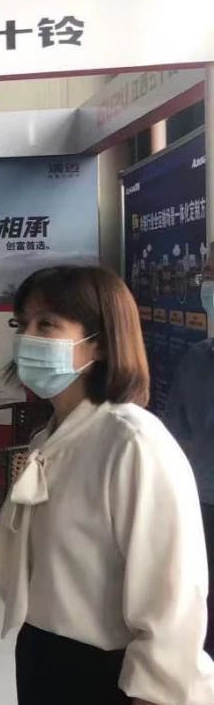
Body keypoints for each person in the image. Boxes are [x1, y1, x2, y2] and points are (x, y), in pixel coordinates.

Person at [0, 265, 214, 705]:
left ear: (102, 343)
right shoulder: (53, 438)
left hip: (124, 690)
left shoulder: (133, 442)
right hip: (51, 662)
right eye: (22, 324)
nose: (27, 338)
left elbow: (174, 607)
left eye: (48, 325)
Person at [163, 242, 214, 659]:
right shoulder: (197, 360)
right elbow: (177, 436)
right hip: (202, 508)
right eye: (208, 276)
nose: (208, 286)